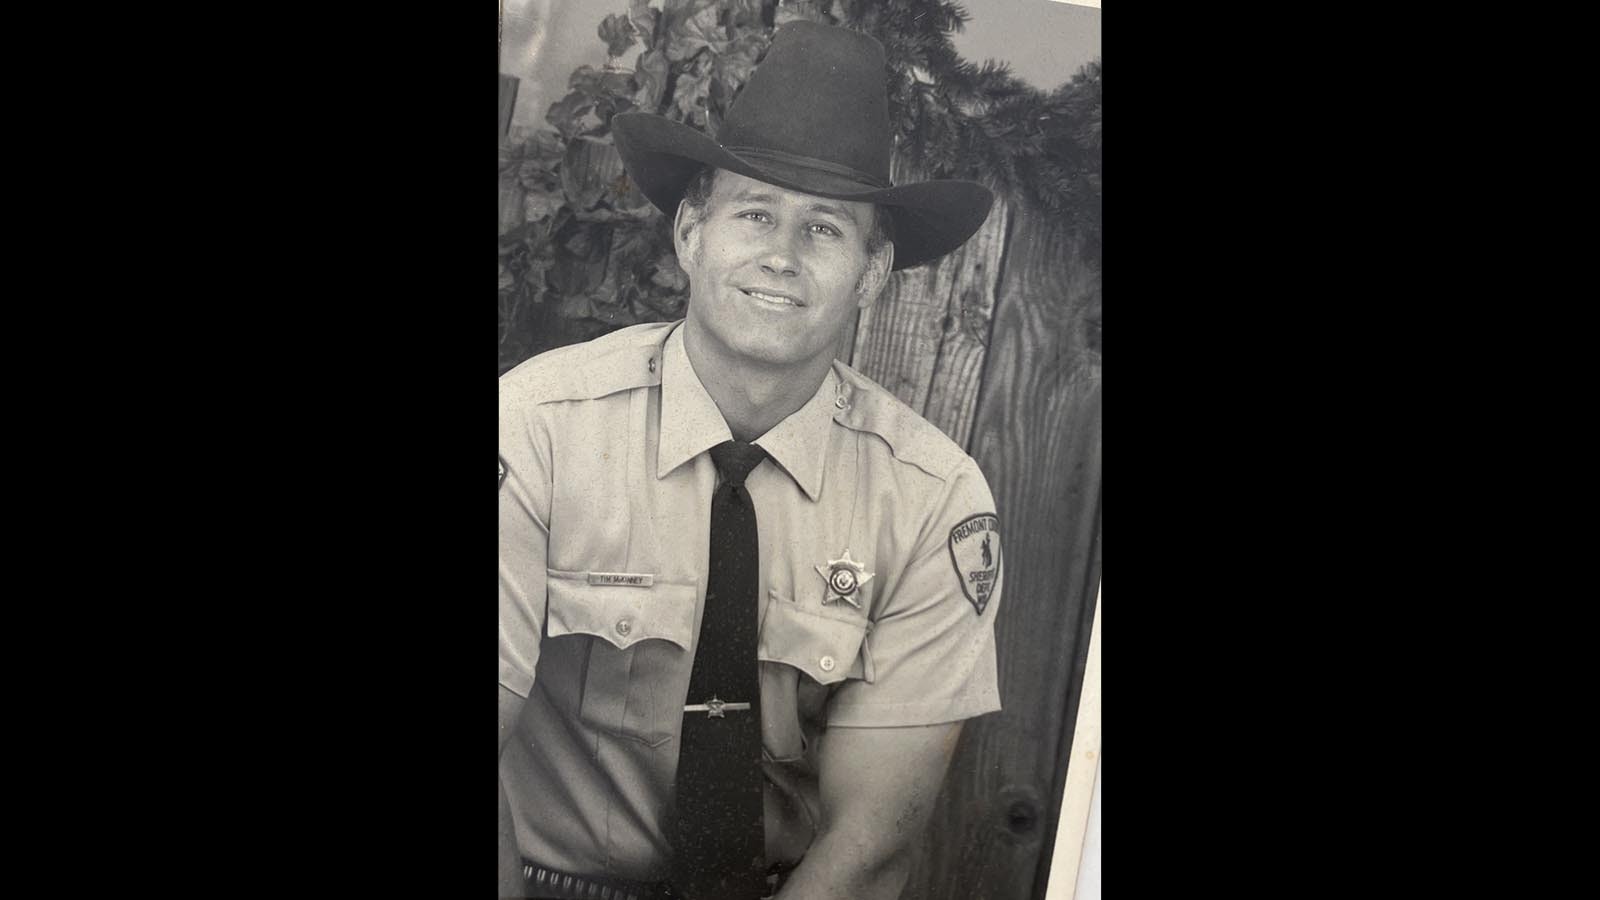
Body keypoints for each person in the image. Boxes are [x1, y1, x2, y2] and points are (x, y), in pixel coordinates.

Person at [499, 21, 1004, 900]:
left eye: (825, 229)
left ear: (872, 274)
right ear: (692, 233)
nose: (781, 254)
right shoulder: (537, 428)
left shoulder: (932, 500)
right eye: (756, 212)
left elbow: (871, 840)